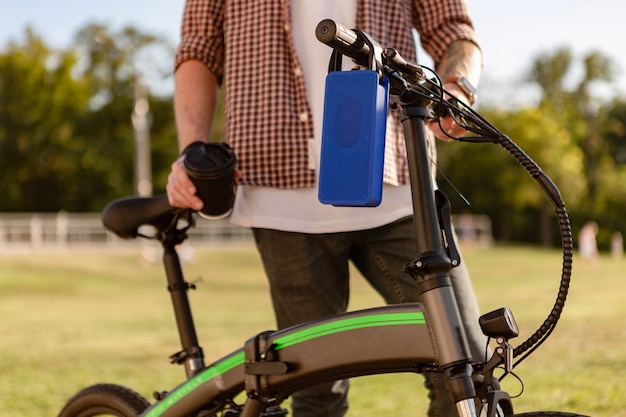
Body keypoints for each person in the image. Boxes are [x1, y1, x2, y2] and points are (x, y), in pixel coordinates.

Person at [166, 1, 484, 416]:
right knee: (317, 391)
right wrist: (192, 148)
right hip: (280, 196)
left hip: (399, 181)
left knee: (466, 361)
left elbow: (452, 27)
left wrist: (459, 88)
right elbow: (199, 47)